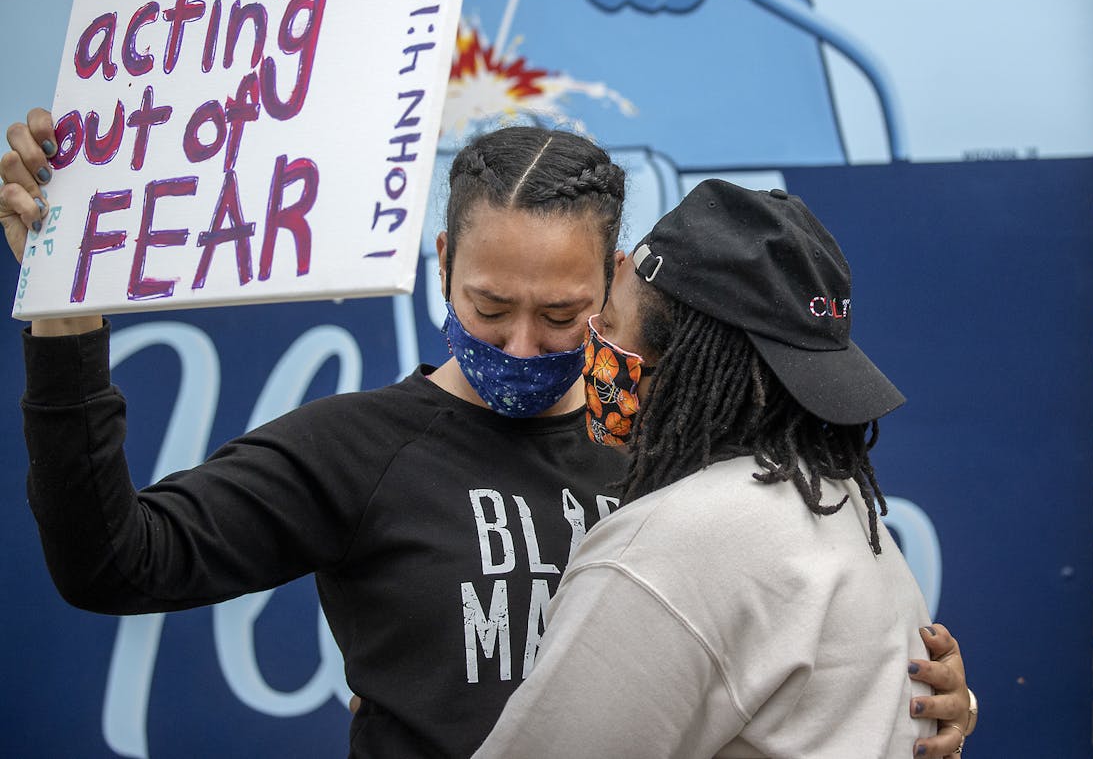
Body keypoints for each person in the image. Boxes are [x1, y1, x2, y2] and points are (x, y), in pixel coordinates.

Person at [2, 109, 974, 758]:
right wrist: (63, 317)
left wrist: (903, 707)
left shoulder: (681, 470)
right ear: (440, 264)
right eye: (488, 303)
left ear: (619, 289)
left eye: (560, 313)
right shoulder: (357, 447)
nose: (521, 340)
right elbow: (111, 562)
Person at [475, 179, 978, 758]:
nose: (595, 345)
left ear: (684, 361)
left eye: (609, 325)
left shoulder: (672, 546)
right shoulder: (846, 511)